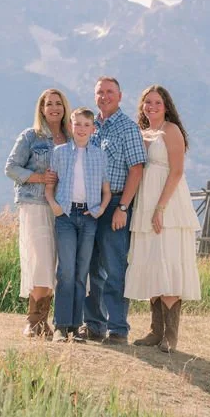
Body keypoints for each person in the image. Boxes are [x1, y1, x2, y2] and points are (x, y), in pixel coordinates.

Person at [125, 85, 202, 353]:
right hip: (144, 202)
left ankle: (170, 335)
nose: (152, 106)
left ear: (166, 105)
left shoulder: (171, 131)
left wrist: (160, 208)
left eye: (157, 102)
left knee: (168, 260)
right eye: (147, 102)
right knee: (151, 261)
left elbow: (177, 171)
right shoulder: (141, 132)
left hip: (167, 203)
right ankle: (155, 331)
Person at [82, 76, 147, 345]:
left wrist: (123, 207)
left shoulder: (128, 128)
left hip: (115, 206)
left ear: (120, 96)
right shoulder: (89, 127)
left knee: (114, 268)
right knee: (90, 268)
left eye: (110, 92)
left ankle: (118, 328)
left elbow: (136, 169)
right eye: (100, 92)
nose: (104, 96)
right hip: (88, 206)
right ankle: (93, 324)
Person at [4, 88, 71, 337]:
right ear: (41, 109)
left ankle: (46, 321)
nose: (54, 108)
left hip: (63, 208)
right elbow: (11, 168)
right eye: (48, 104)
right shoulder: (30, 137)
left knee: (56, 264)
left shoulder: (71, 137)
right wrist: (40, 178)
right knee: (40, 261)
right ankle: (34, 321)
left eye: (58, 103)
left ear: (65, 108)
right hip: (36, 205)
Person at [45, 108, 112, 342]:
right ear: (71, 127)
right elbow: (50, 183)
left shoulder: (99, 155)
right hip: (65, 215)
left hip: (88, 216)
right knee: (66, 271)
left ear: (93, 129)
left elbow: (106, 190)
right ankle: (61, 327)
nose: (82, 129)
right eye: (77, 124)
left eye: (86, 125)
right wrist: (53, 203)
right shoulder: (60, 152)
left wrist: (100, 209)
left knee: (81, 273)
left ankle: (75, 326)